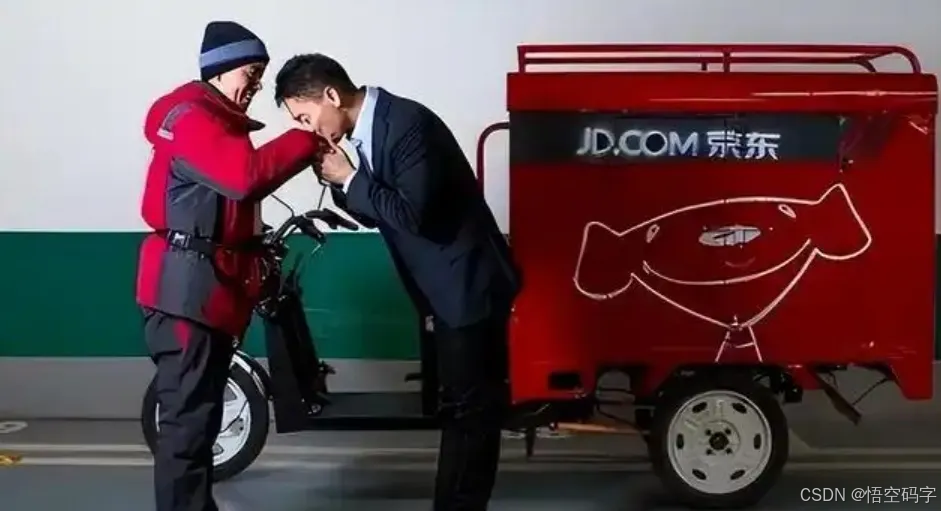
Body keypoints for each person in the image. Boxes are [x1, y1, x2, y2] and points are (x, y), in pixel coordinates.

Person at [273, 53, 521, 511]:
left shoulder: (407, 125)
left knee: (471, 414)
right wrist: (341, 181)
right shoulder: (372, 129)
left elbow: (411, 215)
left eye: (306, 118)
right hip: (444, 289)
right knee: (460, 410)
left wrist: (350, 177)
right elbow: (377, 213)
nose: (308, 130)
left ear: (331, 96)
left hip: (468, 285)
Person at [135, 21, 322, 511]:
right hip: (184, 295)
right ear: (219, 71)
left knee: (199, 422)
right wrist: (307, 139)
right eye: (250, 72)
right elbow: (243, 177)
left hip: (202, 293)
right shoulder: (193, 119)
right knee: (187, 428)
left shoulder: (216, 122)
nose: (256, 84)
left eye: (260, 74)